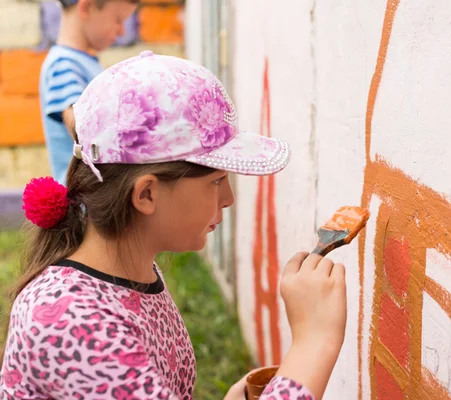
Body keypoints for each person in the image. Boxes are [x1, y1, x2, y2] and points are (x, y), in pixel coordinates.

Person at [1, 51, 347, 400]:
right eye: (215, 181)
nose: (228, 198)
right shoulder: (71, 322)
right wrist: (315, 341)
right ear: (147, 194)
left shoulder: (131, 273)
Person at [40, 0, 138, 185]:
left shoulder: (82, 62)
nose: (122, 31)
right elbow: (83, 127)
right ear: (87, 7)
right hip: (84, 198)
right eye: (118, 20)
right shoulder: (64, 63)